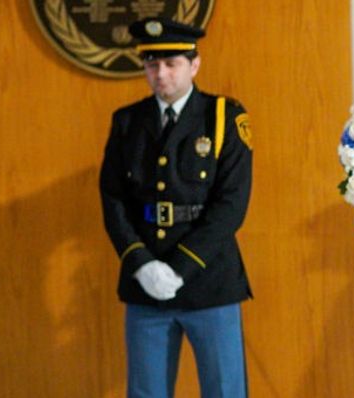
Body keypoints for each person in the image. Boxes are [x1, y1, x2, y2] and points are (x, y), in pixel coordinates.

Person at [99, 17, 254, 398]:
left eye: (171, 64)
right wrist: (141, 263)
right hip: (146, 284)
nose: (161, 74)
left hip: (209, 280)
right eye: (152, 64)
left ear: (194, 64)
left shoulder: (223, 118)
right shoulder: (127, 122)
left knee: (225, 391)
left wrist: (181, 267)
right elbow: (113, 199)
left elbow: (231, 206)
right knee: (146, 392)